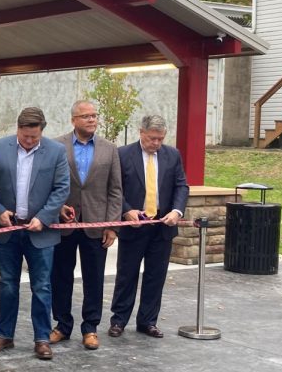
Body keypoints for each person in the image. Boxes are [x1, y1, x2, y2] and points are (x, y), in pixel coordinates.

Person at [0, 107, 69, 360]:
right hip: (8, 230)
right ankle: (4, 335)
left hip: (40, 232)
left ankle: (42, 338)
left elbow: (61, 189)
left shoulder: (56, 152)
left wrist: (43, 217)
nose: (28, 140)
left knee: (42, 286)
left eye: (33, 137)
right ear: (17, 129)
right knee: (7, 284)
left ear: (42, 132)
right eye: (24, 135)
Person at [50, 101, 122, 350]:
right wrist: (57, 209)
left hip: (96, 224)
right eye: (86, 116)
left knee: (94, 278)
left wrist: (112, 226)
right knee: (60, 276)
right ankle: (62, 325)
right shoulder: (56, 146)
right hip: (64, 223)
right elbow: (49, 185)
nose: (92, 120)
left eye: (94, 116)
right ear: (73, 120)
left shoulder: (110, 149)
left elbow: (115, 190)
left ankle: (90, 327)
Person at [108, 115, 188, 339]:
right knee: (127, 275)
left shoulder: (172, 155)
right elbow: (114, 189)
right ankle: (119, 320)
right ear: (141, 132)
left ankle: (148, 321)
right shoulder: (123, 155)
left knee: (156, 275)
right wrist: (126, 210)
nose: (156, 144)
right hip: (134, 226)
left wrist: (176, 211)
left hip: (162, 226)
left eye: (160, 139)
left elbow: (182, 185)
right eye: (152, 138)